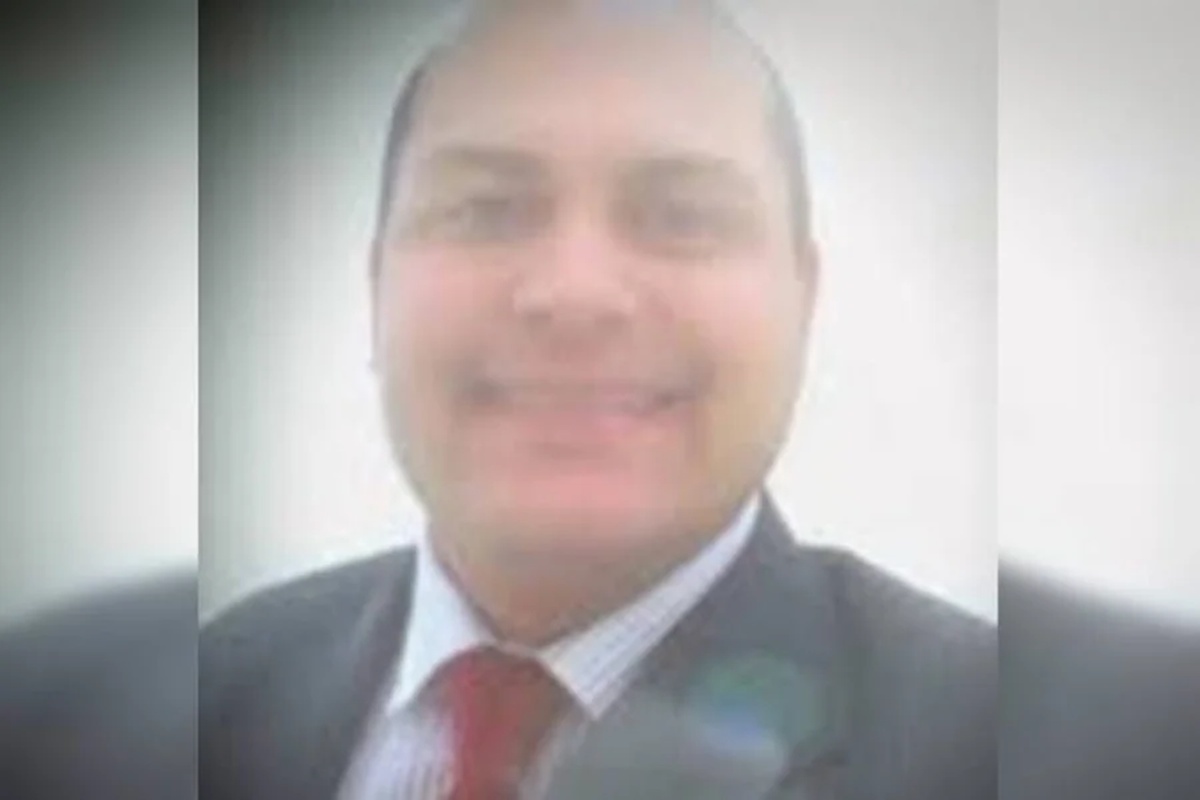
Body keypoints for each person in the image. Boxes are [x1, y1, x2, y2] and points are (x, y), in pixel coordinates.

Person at [201, 2, 994, 798]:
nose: (575, 293)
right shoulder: (214, 684)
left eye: (682, 218)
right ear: (377, 287)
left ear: (803, 300)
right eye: (486, 210)